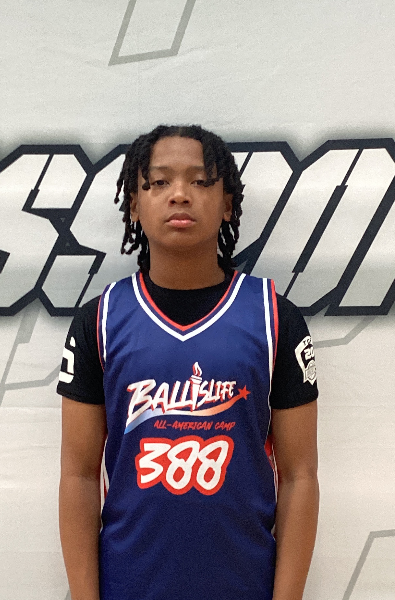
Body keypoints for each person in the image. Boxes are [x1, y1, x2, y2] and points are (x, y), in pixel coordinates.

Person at [58, 124, 319, 600]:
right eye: (159, 182)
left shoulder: (274, 318)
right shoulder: (99, 320)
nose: (179, 194)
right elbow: (78, 475)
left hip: (244, 585)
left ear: (227, 204)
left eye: (200, 181)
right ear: (134, 204)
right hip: (128, 585)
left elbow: (300, 476)